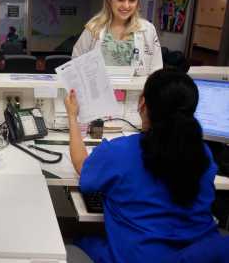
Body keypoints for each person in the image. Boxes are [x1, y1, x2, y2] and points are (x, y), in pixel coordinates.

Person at [64, 69, 227, 262]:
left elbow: (82, 165)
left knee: (76, 239)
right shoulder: (203, 153)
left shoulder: (121, 153)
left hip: (142, 256)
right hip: (202, 255)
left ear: (142, 103)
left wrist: (72, 117)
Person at [72, 0, 162, 75]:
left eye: (132, 0)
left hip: (137, 91)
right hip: (100, 90)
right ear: (109, 0)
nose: (126, 6)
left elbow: (156, 71)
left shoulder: (147, 29)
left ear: (137, 2)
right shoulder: (94, 28)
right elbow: (76, 64)